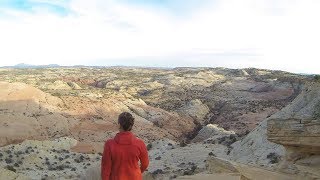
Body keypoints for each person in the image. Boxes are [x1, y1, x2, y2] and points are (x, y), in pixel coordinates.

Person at [101, 112, 149, 180]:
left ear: (119, 124)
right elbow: (145, 164)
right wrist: (137, 172)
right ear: (131, 125)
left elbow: (106, 169)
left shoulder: (109, 144)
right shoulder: (140, 144)